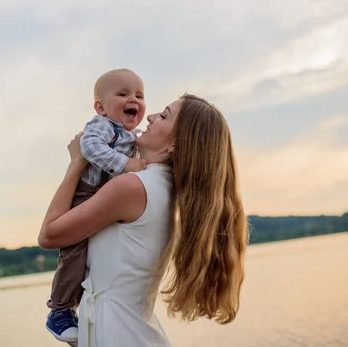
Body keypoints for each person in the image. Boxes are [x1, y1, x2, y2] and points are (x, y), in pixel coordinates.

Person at [39, 94, 249, 347]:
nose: (150, 116)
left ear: (175, 145)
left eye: (163, 116)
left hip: (119, 334)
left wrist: (77, 161)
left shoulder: (132, 187)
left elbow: (50, 235)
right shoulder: (165, 190)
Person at [45, 68, 148, 343]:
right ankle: (60, 309)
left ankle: (85, 305)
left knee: (97, 253)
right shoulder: (102, 126)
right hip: (86, 192)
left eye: (139, 95)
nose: (134, 100)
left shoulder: (134, 135)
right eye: (123, 94)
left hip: (106, 196)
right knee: (75, 251)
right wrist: (126, 164)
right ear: (100, 107)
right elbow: (89, 148)